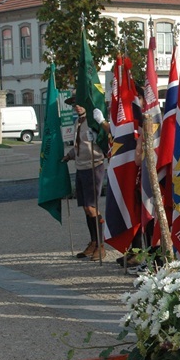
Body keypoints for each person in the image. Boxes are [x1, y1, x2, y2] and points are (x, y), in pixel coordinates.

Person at [62, 95, 109, 261]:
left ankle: (101, 245)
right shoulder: (78, 123)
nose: (77, 106)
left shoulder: (93, 121)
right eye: (75, 104)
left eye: (80, 103)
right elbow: (78, 145)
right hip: (80, 166)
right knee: (85, 207)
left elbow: (106, 139)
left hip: (93, 165)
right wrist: (68, 156)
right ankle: (93, 242)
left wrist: (97, 138)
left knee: (92, 206)